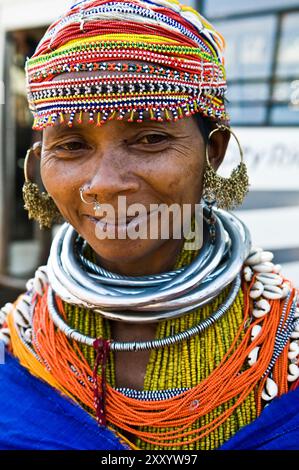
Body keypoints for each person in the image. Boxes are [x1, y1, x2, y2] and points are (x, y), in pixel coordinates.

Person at [0, 0, 298, 451]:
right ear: (38, 161)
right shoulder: (17, 340)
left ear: (213, 150)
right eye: (72, 145)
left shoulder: (286, 338)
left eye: (150, 138)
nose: (104, 184)